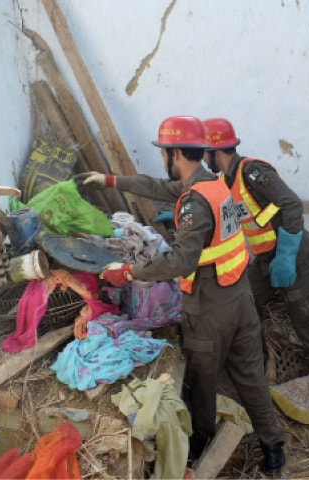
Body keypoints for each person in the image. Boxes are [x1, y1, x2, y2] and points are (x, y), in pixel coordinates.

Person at [75, 115, 286, 475]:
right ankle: (273, 445)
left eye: (164, 153)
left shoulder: (193, 201)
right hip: (240, 299)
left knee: (202, 382)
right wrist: (110, 180)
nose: (163, 161)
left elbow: (181, 259)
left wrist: (127, 272)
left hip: (209, 307)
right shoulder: (214, 185)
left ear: (174, 153)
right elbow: (155, 186)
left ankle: (197, 449)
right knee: (250, 375)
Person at [202, 118, 309, 420]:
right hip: (267, 258)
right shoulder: (225, 181)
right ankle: (256, 370)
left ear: (213, 151)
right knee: (244, 304)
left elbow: (292, 205)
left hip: (292, 254)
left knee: (306, 321)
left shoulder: (253, 172)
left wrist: (285, 256)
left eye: (203, 153)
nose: (203, 160)